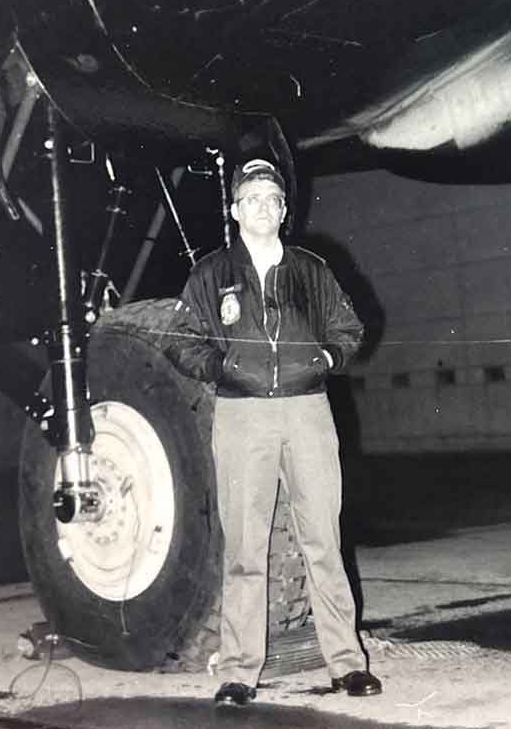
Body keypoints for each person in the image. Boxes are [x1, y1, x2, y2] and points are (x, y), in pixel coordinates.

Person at [165, 158, 382, 707]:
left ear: (284, 211)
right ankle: (239, 672)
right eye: (252, 199)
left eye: (272, 199)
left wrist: (324, 359)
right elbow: (181, 340)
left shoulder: (311, 269)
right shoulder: (211, 273)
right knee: (244, 546)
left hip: (308, 412)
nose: (263, 207)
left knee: (323, 541)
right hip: (243, 417)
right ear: (235, 210)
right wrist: (224, 368)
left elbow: (349, 328)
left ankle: (347, 664)